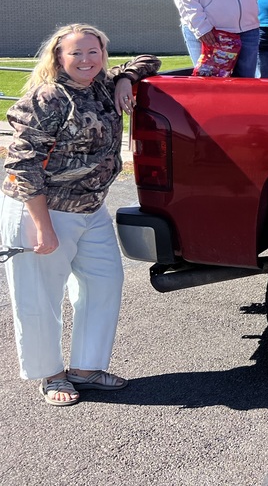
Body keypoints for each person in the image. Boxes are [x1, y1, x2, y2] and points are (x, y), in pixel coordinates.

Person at [1, 25, 160, 406]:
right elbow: (22, 164)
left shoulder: (102, 84)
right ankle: (51, 376)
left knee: (104, 281)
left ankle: (86, 368)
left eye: (94, 52)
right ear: (58, 57)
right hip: (43, 209)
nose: (86, 60)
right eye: (76, 53)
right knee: (40, 296)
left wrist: (125, 77)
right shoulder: (49, 97)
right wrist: (42, 227)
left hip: (90, 208)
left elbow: (148, 58)